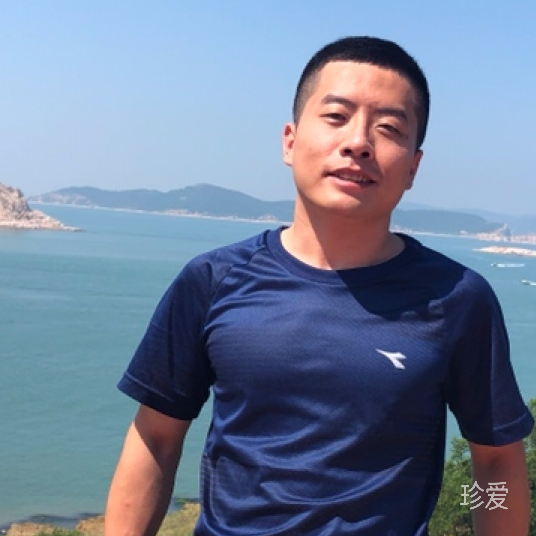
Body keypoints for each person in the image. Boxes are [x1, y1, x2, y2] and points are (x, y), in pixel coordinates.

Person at [104, 36, 534, 536]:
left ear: (414, 167)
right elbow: (156, 438)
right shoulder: (213, 280)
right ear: (289, 141)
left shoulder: (457, 297)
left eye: (389, 128)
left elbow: (495, 461)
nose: (358, 142)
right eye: (336, 116)